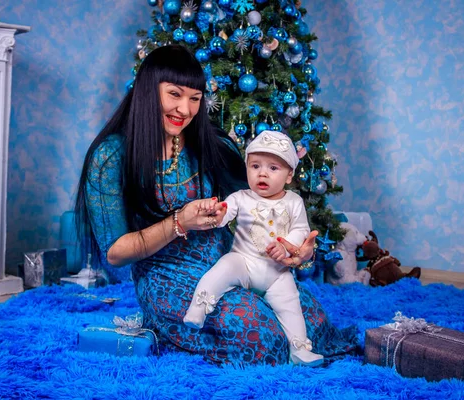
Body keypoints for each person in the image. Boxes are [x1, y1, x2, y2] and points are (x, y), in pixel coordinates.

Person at [74, 44, 358, 366]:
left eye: (195, 99)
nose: (185, 109)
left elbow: (262, 205)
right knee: (261, 337)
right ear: (146, 91)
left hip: (236, 266)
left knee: (312, 322)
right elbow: (115, 252)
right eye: (174, 95)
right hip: (167, 276)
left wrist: (296, 251)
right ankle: (169, 324)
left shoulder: (212, 144)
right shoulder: (111, 157)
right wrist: (178, 222)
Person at [183, 130, 323, 366]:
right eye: (255, 166)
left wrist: (287, 248)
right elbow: (226, 212)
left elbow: (300, 230)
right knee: (224, 267)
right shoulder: (241, 197)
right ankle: (200, 306)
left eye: (273, 168)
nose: (262, 173)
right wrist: (218, 214)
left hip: (276, 273)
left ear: (289, 175)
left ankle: (299, 347)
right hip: (244, 262)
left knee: (291, 302)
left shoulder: (293, 202)